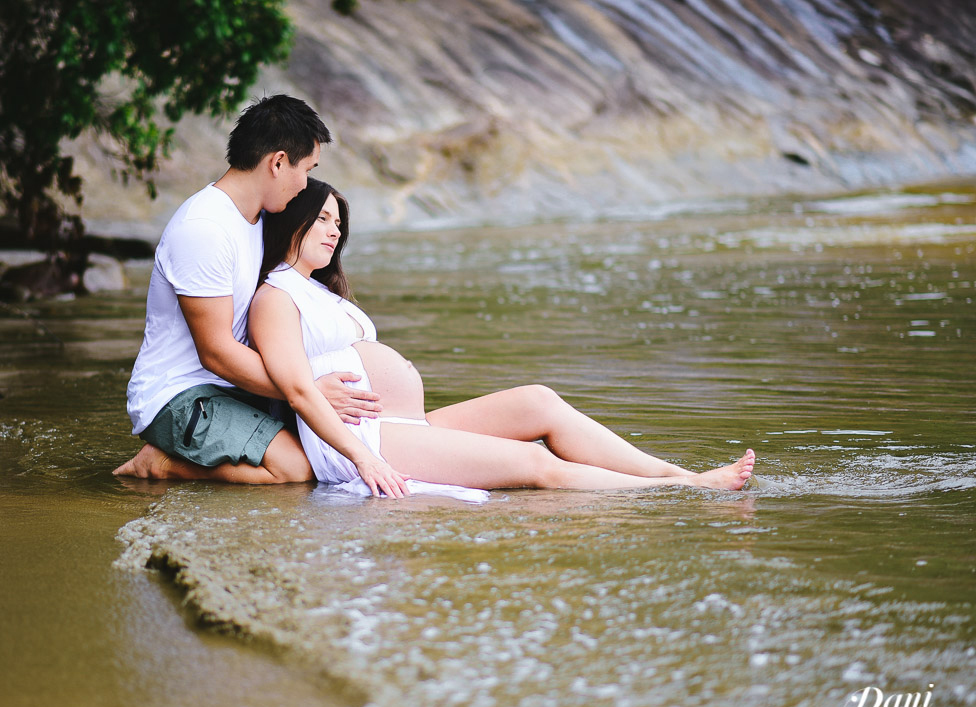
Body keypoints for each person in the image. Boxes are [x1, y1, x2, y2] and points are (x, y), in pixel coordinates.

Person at [248, 178, 757, 498]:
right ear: (294, 219)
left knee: (539, 401)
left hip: (403, 423)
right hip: (363, 439)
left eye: (339, 222)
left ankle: (669, 471)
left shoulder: (321, 292)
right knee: (534, 463)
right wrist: (365, 459)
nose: (335, 231)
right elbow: (296, 389)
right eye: (322, 219)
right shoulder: (275, 296)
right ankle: (681, 489)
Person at [114, 95, 381, 483]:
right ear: (278, 162)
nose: (305, 184)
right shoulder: (204, 229)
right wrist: (307, 389)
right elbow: (216, 353)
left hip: (241, 389)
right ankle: (160, 463)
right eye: (307, 169)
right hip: (183, 396)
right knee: (297, 470)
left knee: (331, 454)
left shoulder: (258, 220)